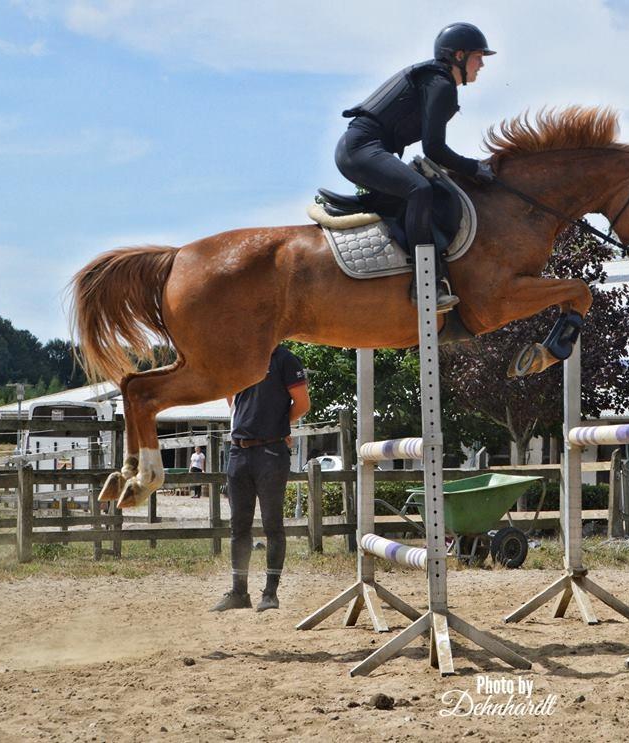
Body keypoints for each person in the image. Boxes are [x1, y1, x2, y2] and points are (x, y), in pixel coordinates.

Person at [334, 22, 497, 311]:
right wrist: (474, 169)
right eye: (477, 56)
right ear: (458, 55)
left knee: (423, 187)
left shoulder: (436, 80)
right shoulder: (441, 84)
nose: (482, 64)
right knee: (420, 191)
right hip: (360, 149)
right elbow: (434, 149)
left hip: (364, 148)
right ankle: (426, 284)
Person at [210, 345, 311, 612]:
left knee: (272, 524)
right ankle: (239, 592)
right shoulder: (239, 356)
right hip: (238, 451)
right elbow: (231, 398)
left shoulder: (285, 359)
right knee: (238, 526)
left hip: (271, 452)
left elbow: (302, 403)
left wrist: (278, 424)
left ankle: (270, 593)